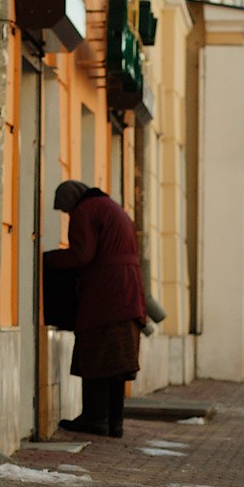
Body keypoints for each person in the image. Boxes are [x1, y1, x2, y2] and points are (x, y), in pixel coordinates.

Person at [44, 180, 146, 438]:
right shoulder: (110, 206)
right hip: (128, 292)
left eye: (65, 210)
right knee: (118, 362)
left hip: (105, 294)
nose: (68, 215)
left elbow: (82, 255)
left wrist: (47, 258)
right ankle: (114, 422)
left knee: (96, 352)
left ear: (71, 201)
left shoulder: (85, 211)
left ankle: (95, 418)